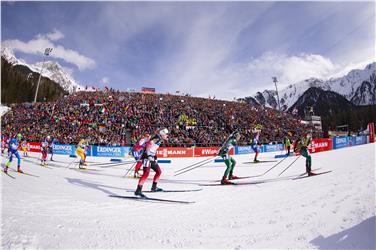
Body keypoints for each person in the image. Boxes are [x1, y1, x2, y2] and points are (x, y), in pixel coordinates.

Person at [134, 128, 169, 197]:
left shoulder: (159, 138)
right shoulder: (158, 138)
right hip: (147, 157)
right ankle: (138, 190)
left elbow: (152, 147)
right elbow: (149, 145)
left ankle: (154, 187)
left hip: (151, 157)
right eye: (166, 134)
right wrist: (149, 155)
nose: (167, 136)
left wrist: (154, 155)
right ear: (162, 133)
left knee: (158, 172)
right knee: (146, 173)